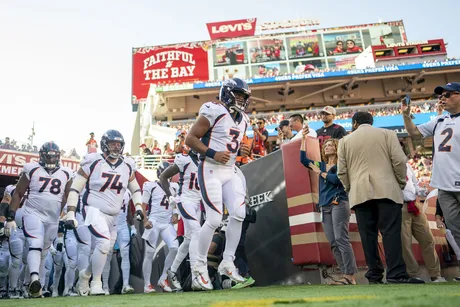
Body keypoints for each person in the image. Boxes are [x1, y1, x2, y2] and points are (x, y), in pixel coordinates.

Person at [337, 112, 423, 284]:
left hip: (360, 192)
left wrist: (350, 188)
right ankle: (396, 274)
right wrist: (399, 182)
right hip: (387, 189)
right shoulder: (388, 134)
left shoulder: (344, 141)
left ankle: (374, 275)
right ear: (372, 121)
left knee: (367, 236)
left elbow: (342, 171)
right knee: (391, 233)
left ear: (354, 123)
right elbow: (399, 161)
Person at [185, 78, 252, 290]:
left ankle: (227, 262)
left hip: (230, 170)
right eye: (238, 95)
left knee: (239, 214)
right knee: (213, 219)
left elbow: (231, 144)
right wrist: (213, 153)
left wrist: (240, 151)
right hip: (211, 168)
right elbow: (190, 138)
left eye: (244, 97)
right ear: (227, 93)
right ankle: (199, 267)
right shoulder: (213, 110)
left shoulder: (244, 120)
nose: (241, 100)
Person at [63, 129, 145, 296]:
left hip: (113, 215)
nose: (116, 147)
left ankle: (85, 274)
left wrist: (138, 207)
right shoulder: (93, 161)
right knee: (103, 243)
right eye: (112, 144)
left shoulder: (127, 165)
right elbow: (75, 187)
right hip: (93, 209)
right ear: (104, 145)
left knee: (104, 248)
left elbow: (135, 189)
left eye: (119, 144)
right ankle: (96, 283)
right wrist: (71, 212)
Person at [5, 142, 74, 297]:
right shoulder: (32, 168)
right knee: (35, 244)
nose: (50, 159)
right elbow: (18, 193)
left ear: (58, 157)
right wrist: (11, 216)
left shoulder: (66, 172)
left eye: (53, 156)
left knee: (43, 252)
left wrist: (69, 212)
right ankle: (34, 278)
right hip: (32, 212)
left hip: (52, 217)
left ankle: (34, 286)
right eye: (48, 156)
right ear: (42, 156)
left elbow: (68, 196)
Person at [402, 82, 460, 250]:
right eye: (441, 96)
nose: (443, 99)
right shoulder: (440, 119)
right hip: (444, 187)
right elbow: (414, 132)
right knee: (455, 231)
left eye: (448, 95)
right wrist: (406, 115)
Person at [300, 132, 357, 285]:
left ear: (337, 148)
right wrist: (304, 139)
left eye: (330, 145)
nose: (327, 147)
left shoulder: (341, 164)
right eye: (325, 145)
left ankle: (350, 275)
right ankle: (344, 274)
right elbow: (304, 160)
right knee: (333, 241)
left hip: (339, 203)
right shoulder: (322, 165)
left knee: (341, 239)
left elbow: (337, 180)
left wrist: (321, 173)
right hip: (325, 206)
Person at [159, 150, 202, 291]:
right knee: (197, 232)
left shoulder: (206, 161)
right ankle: (196, 276)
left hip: (198, 203)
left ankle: (172, 269)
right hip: (186, 200)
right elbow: (163, 177)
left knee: (189, 239)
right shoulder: (185, 159)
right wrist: (170, 196)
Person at [400, 163, 446, 282]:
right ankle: (414, 275)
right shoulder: (387, 165)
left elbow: (415, 186)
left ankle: (435, 275)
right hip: (399, 206)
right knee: (405, 243)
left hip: (414, 205)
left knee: (428, 239)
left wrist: (424, 192)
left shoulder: (407, 166)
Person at [141, 162, 179, 293]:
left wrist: (175, 214)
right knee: (149, 253)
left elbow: (175, 205)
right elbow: (143, 205)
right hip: (154, 222)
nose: (168, 177)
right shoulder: (150, 186)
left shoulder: (174, 187)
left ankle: (163, 278)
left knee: (174, 247)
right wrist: (145, 220)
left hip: (167, 223)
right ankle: (147, 285)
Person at [101, 190, 136, 294]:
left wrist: (133, 226)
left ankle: (125, 285)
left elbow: (129, 211)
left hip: (122, 225)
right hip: (109, 226)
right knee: (107, 255)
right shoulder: (106, 190)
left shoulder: (127, 192)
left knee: (125, 254)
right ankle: (105, 286)